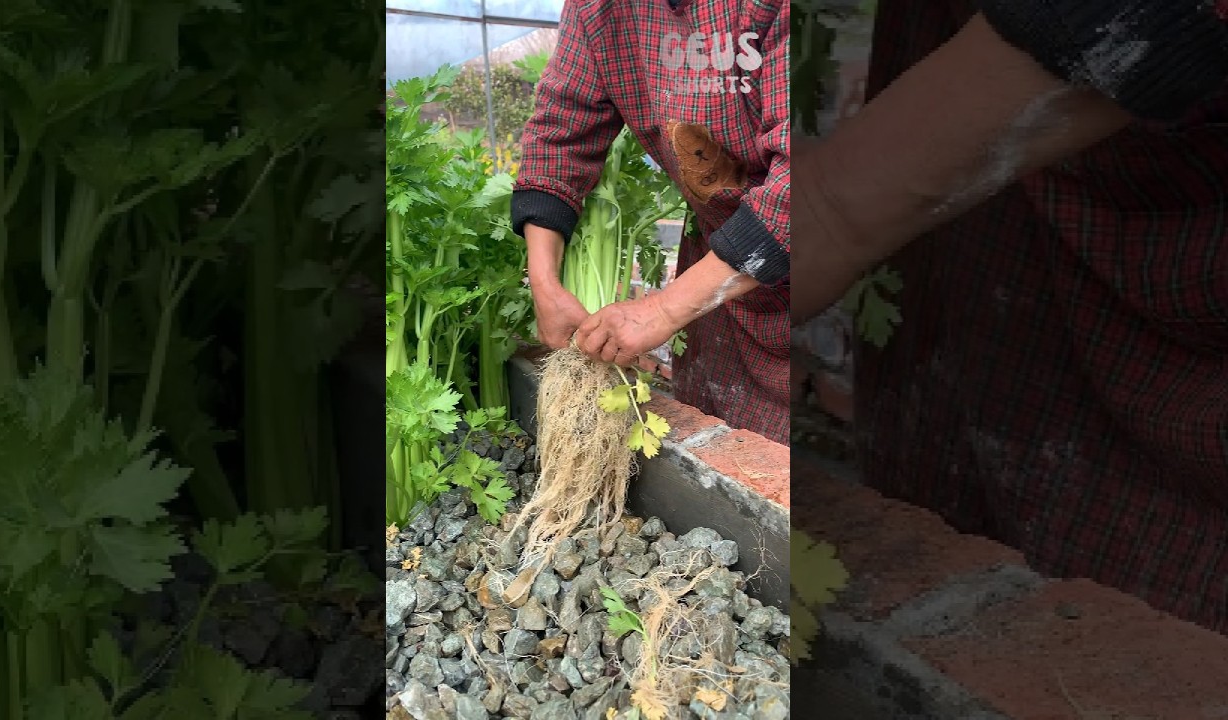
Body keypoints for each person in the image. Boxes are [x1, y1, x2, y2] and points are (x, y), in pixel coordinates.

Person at [792, 3, 1228, 632]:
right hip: (998, 148)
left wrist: (832, 207)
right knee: (970, 409)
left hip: (1165, 180)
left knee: (1144, 610)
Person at [510, 0, 791, 443]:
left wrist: (663, 308)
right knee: (723, 437)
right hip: (721, 275)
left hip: (838, 256)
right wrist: (544, 284)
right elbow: (559, 135)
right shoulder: (597, 10)